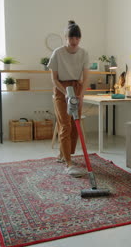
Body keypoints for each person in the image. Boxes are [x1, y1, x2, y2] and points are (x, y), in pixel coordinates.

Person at [48, 20, 89, 177]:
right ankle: (69, 163)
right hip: (61, 89)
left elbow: (85, 77)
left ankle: (65, 154)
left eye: (77, 38)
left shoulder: (84, 53)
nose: (74, 41)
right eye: (71, 38)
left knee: (74, 124)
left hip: (77, 88)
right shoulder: (58, 53)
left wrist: (81, 94)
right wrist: (65, 92)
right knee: (65, 125)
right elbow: (54, 79)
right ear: (66, 37)